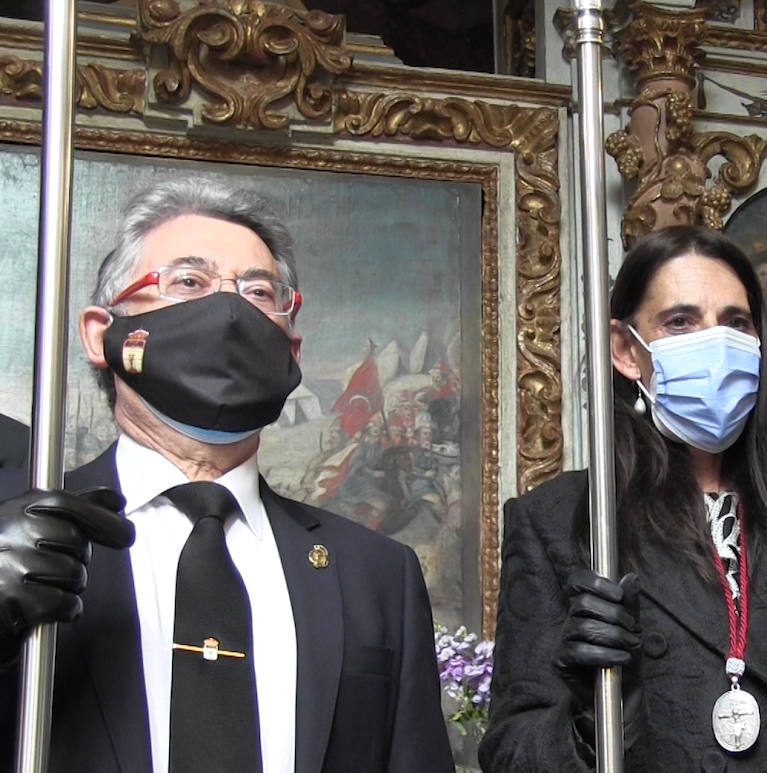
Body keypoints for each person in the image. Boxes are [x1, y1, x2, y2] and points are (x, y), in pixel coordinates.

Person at [0, 178, 452, 772]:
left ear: (292, 351)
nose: (231, 310)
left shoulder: (376, 575)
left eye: (259, 291)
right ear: (100, 333)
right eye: (188, 281)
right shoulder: (27, 534)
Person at [479, 225, 767, 772]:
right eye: (681, 322)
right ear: (626, 350)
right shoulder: (563, 523)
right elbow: (512, 753)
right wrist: (591, 724)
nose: (717, 345)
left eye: (736, 323)